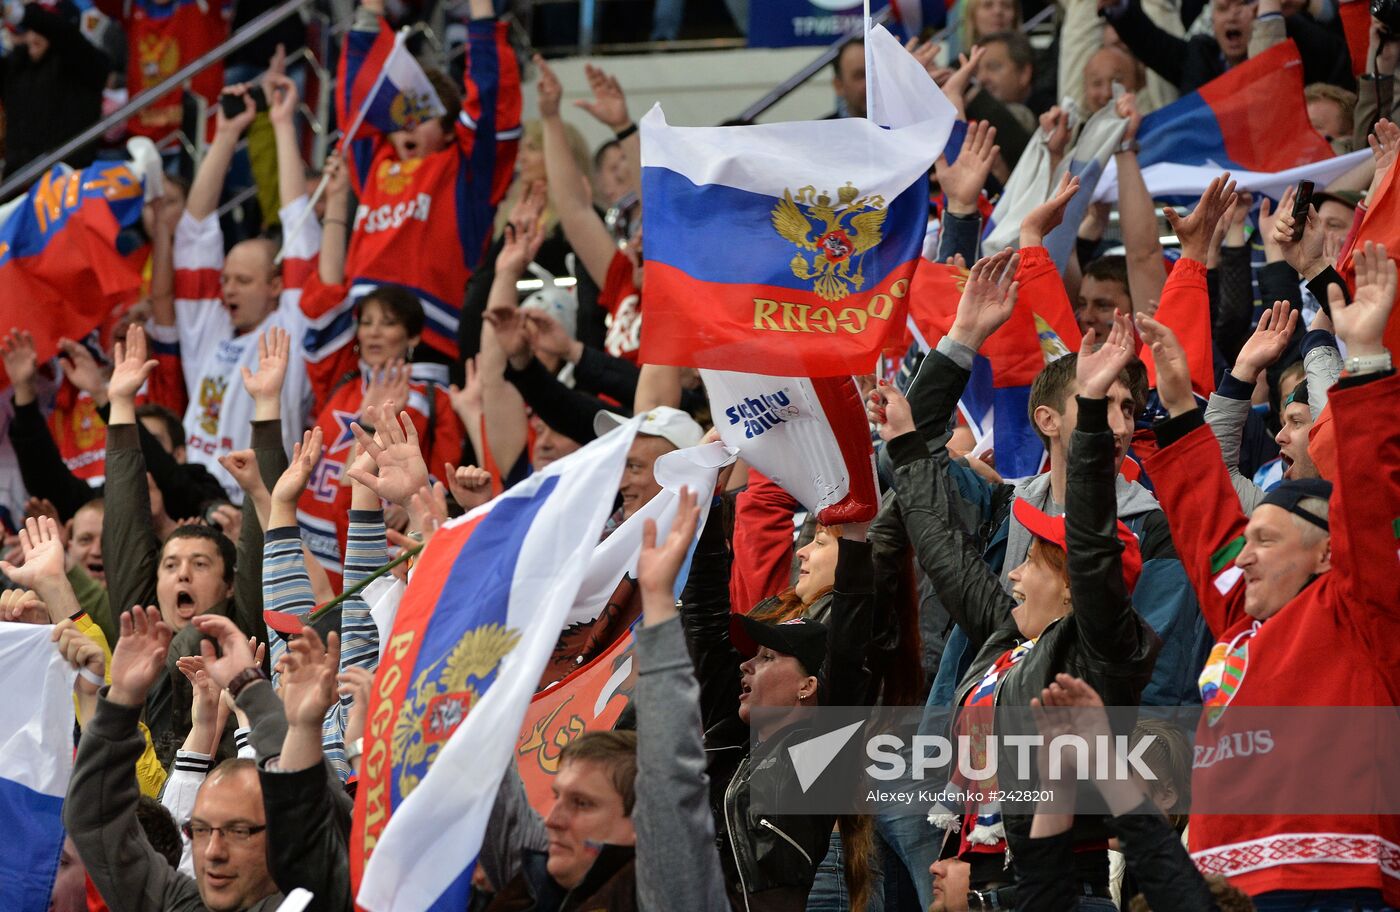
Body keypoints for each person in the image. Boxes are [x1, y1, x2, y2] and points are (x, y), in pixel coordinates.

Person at [1136, 240, 1399, 906]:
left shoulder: (1359, 611)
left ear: (1328, 553)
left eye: (1268, 540)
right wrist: (1178, 406)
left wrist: (1364, 358)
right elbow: (1207, 529)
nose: (1244, 555)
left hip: (1328, 886)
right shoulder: (1239, 620)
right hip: (1221, 889)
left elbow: (1369, 497)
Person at [872, 305, 1160, 901]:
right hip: (988, 884)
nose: (1016, 570)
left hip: (1054, 890)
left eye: (1034, 561)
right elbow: (944, 554)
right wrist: (905, 450)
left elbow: (1089, 542)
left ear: (1075, 581)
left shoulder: (1103, 646)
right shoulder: (1009, 637)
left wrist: (1089, 416)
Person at [328, 0, 521, 377]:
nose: (407, 126)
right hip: (357, 345)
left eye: (422, 117)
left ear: (451, 131)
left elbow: (491, 105)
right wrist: (368, 14)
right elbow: (359, 93)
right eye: (401, 117)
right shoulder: (374, 162)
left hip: (431, 353)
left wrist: (482, 15)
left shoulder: (465, 176)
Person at [151, 74, 317, 501]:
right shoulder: (213, 330)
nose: (228, 290)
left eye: (243, 281)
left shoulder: (290, 331)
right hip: (191, 497)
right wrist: (225, 133)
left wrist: (282, 124)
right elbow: (194, 232)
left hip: (253, 505)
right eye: (226, 280)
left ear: (277, 285)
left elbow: (300, 228)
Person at [65, 606, 285, 912]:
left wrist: (254, 694)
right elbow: (95, 821)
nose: (212, 852)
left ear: (285, 832)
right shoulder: (177, 906)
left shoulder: (321, 898)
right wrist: (121, 701)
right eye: (199, 830)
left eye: (238, 831)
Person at [0, 0, 108, 177]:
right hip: (18, 184)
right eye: (28, 29)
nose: (32, 37)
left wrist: (21, 14)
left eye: (40, 28)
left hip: (68, 181)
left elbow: (65, 35)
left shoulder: (84, 64)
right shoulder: (16, 66)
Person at [828, 37, 866, 119]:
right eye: (859, 76)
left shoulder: (897, 125)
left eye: (873, 74)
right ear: (839, 86)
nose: (869, 84)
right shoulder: (821, 130)